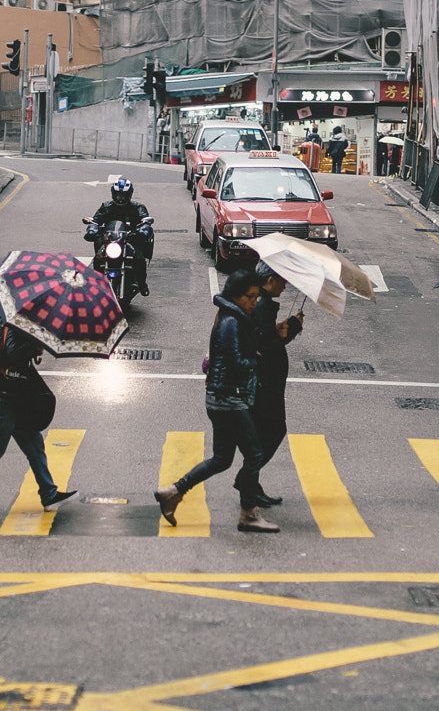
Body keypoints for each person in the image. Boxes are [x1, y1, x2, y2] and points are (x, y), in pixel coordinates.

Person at [155, 270, 277, 531]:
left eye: (256, 297)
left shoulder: (236, 317)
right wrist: (256, 361)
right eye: (250, 297)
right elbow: (235, 364)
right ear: (235, 296)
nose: (254, 302)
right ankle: (249, 514)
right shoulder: (231, 322)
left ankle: (173, 492)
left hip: (220, 398)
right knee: (254, 455)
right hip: (229, 398)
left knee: (222, 458)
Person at [0, 310, 80, 517]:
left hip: (12, 393)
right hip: (5, 395)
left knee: (33, 444)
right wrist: (35, 346)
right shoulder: (17, 321)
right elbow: (13, 352)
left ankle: (49, 494)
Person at [248, 263, 303, 504]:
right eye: (282, 280)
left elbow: (267, 337)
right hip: (265, 382)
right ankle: (246, 478)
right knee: (274, 430)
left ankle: (251, 486)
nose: (285, 285)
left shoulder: (261, 303)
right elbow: (267, 345)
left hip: (267, 380)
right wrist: (293, 326)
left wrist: (284, 327)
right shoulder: (262, 305)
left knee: (260, 434)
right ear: (270, 280)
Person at [86, 177, 154, 296]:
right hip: (110, 241)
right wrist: (92, 229)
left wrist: (143, 229)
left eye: (123, 195)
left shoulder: (137, 207)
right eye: (118, 195)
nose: (120, 198)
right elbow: (95, 220)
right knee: (98, 258)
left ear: (130, 195)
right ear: (113, 193)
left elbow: (145, 220)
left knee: (139, 259)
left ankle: (142, 284)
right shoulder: (106, 206)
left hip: (130, 240)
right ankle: (97, 284)